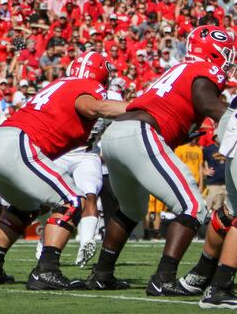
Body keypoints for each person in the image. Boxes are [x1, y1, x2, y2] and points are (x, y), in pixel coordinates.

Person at [90, 26, 234, 296]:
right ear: (213, 51)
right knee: (192, 207)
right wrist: (229, 117)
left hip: (117, 135)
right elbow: (206, 100)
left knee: (131, 210)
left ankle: (102, 274)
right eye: (226, 53)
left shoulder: (178, 69)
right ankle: (163, 278)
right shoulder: (204, 70)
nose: (228, 60)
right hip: (140, 133)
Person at [0, 52, 126, 290]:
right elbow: (96, 106)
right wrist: (146, 109)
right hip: (16, 144)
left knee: (25, 207)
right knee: (73, 199)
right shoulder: (87, 87)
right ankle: (47, 269)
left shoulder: (60, 84)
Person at [177, 98, 237, 308]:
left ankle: (201, 275)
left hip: (232, 139)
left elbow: (227, 115)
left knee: (230, 212)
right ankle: (220, 287)